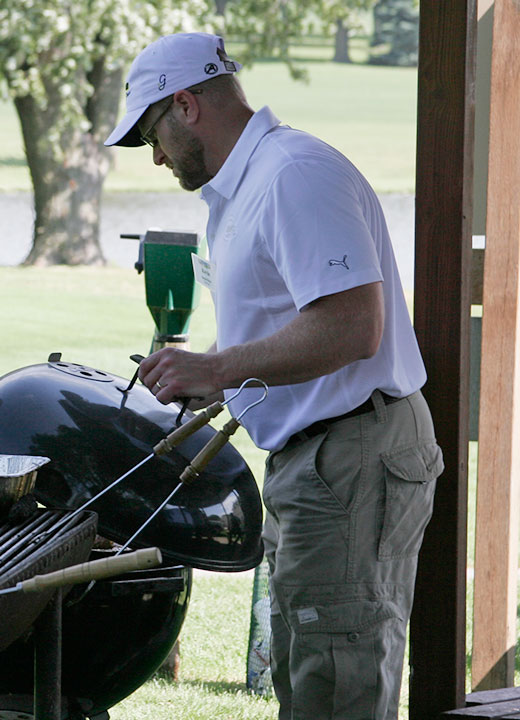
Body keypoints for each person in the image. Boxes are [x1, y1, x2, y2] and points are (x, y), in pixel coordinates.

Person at [105, 33, 443, 720]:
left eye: (153, 137)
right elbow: (294, 321)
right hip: (320, 460)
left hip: (353, 455)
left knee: (339, 683)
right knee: (309, 675)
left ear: (186, 105)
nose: (160, 157)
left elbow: (353, 326)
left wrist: (219, 364)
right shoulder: (249, 184)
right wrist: (218, 377)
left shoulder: (293, 174)